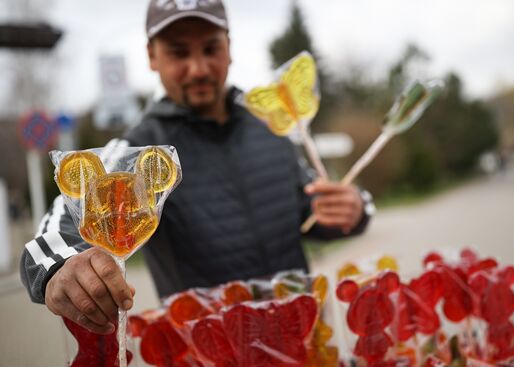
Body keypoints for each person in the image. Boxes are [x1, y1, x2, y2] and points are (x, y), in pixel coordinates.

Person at [20, 0, 375, 335]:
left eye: (210, 48)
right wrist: (60, 268)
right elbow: (59, 228)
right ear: (152, 56)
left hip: (305, 338)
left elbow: (311, 209)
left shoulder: (271, 126)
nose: (199, 68)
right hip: (206, 350)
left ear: (229, 47)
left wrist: (354, 209)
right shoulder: (139, 154)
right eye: (178, 52)